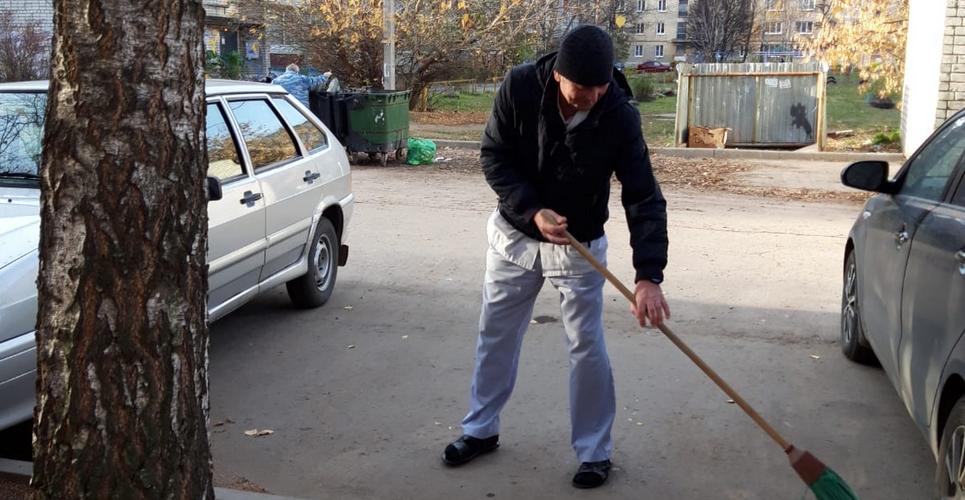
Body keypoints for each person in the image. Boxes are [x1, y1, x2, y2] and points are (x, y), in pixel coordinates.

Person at [441, 25, 670, 489]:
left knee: (586, 346)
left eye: (602, 86)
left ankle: (594, 452)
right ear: (559, 76)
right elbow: (494, 157)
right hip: (515, 236)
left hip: (579, 247)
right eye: (585, 87)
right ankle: (480, 429)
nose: (594, 96)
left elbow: (643, 195)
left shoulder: (618, 114)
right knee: (496, 334)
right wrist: (532, 210)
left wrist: (649, 276)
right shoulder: (520, 87)